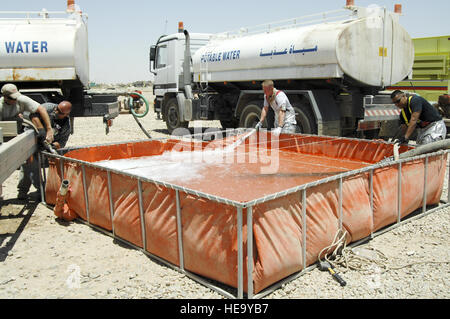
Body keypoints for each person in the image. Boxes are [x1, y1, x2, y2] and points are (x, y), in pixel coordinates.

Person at [0, 83, 55, 200]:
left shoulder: (21, 99)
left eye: (16, 98)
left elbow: (41, 109)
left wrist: (48, 129)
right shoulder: (0, 107)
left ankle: (36, 190)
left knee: (30, 161)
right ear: (5, 97)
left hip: (19, 134)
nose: (15, 100)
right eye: (12, 99)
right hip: (4, 136)